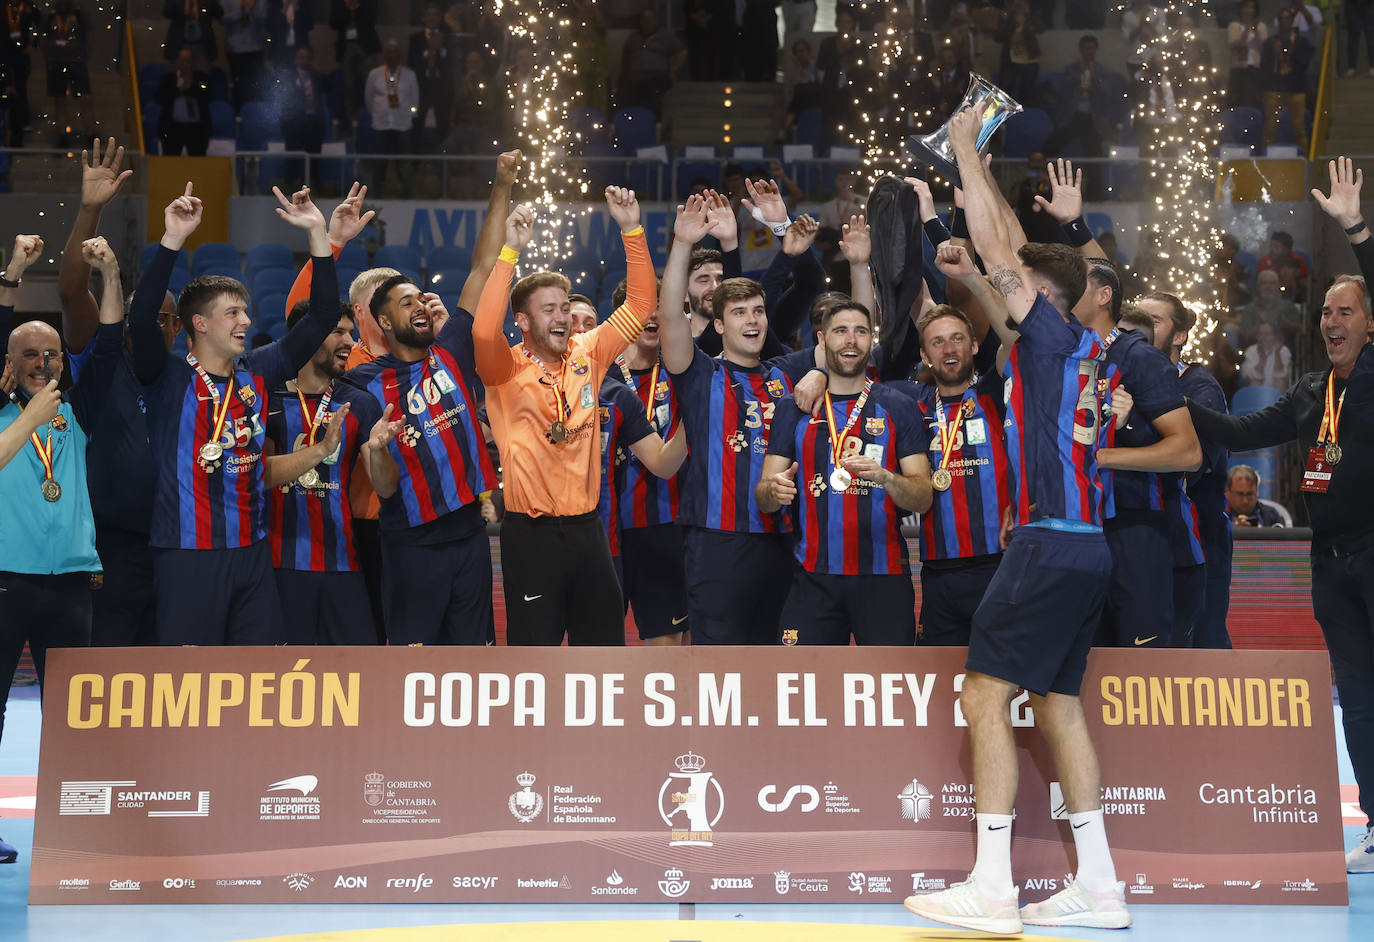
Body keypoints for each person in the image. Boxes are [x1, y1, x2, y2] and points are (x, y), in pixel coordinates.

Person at [904, 108, 1129, 934]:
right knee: (1060, 705)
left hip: (1045, 546)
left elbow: (1004, 252)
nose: (1009, 290)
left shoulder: (1045, 335)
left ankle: (992, 888)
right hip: (1089, 548)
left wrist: (966, 149)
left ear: (1043, 297)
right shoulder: (1081, 347)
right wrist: (976, 236)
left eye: (1018, 287)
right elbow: (1000, 265)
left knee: (983, 695)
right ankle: (1100, 886)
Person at [1189, 156, 1374, 873]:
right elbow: (1238, 435)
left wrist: (1356, 227)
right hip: (1325, 562)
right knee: (1355, 696)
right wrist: (1172, 402)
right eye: (1326, 311)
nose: (1331, 321)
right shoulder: (1307, 392)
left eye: (1346, 310)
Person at [130, 182, 358, 645]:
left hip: (252, 554)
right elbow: (140, 321)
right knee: (189, 684)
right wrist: (173, 239)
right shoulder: (167, 378)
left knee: (258, 677)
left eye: (246, 312)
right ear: (199, 323)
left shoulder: (256, 373)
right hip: (186, 553)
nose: (247, 322)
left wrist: (318, 235)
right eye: (233, 313)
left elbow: (316, 321)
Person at [471, 187, 658, 646]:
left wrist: (632, 229)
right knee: (535, 660)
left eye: (565, 305)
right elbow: (480, 326)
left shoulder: (588, 352)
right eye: (549, 309)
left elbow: (639, 306)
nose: (562, 318)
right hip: (529, 537)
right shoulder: (503, 367)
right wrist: (510, 252)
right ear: (523, 320)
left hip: (588, 531)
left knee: (605, 654)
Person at [1035, 159, 1201, 649]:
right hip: (1076, 526)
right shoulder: (1066, 354)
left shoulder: (1141, 358)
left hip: (1135, 529)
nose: (1062, 289)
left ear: (1104, 296)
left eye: (1076, 282)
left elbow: (1188, 452)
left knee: (1142, 674)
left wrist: (1101, 456)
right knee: (1083, 665)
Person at [0, 235, 123, 863]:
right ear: (9, 363)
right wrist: (14, 275)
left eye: (51, 353)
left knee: (72, 716)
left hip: (72, 582)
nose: (44, 362)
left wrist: (110, 274)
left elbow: (105, 347)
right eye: (29, 353)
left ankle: (71, 826)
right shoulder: (0, 412)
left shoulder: (77, 412)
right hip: (5, 582)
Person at [56, 140, 181, 647]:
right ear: (125, 320)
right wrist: (90, 210)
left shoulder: (194, 379)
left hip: (176, 546)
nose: (159, 328)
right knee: (108, 675)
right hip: (109, 547)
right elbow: (70, 292)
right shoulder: (102, 362)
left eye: (168, 320)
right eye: (150, 318)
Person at [758, 299, 934, 645]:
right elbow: (763, 497)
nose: (851, 340)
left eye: (860, 332)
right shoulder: (793, 410)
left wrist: (888, 478)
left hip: (883, 578)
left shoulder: (898, 406)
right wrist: (773, 490)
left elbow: (924, 497)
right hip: (812, 579)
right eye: (841, 331)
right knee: (804, 690)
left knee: (889, 692)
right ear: (822, 339)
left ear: (872, 339)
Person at [266, 300, 374, 644]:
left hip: (343, 563)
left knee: (358, 677)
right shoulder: (266, 398)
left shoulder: (359, 402)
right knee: (283, 681)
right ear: (306, 336)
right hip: (278, 565)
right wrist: (322, 450)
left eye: (351, 332)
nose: (350, 341)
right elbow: (257, 475)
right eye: (337, 331)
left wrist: (383, 449)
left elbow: (385, 487)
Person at [597, 281, 692, 646]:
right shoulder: (595, 376)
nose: (652, 317)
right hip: (604, 531)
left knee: (667, 648)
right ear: (622, 318)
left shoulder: (683, 374)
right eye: (642, 308)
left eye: (659, 308)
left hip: (664, 526)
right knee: (598, 647)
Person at [1139, 292, 1234, 650]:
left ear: (1179, 336)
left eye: (1155, 321)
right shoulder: (1127, 381)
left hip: (1199, 539)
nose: (1142, 329)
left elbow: (1191, 466)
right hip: (1155, 537)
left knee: (1202, 647)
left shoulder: (1199, 388)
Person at [364, 40, 418, 191]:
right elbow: (369, 99)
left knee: (403, 165)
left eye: (394, 51)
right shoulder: (374, 75)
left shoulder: (409, 75)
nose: (391, 55)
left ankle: (405, 194)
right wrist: (376, 115)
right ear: (384, 55)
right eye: (388, 52)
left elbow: (415, 100)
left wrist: (408, 116)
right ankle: (378, 195)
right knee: (379, 165)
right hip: (381, 125)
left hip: (403, 126)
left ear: (400, 55)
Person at [1261, 8, 1312, 154]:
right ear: (1278, 21)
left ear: (1292, 21)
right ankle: (1265, 158)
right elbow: (1264, 65)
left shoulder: (1301, 42)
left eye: (1287, 18)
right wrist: (1276, 55)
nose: (1284, 21)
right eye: (1281, 18)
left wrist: (1291, 53)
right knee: (1269, 129)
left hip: (1295, 88)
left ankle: (1305, 161)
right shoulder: (1270, 42)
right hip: (1274, 87)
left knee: (1299, 129)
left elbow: (1304, 63)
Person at [41, 0, 88, 144]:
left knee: (85, 99)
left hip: (76, 63)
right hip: (56, 63)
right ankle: (62, 136)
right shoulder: (50, 15)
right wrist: (48, 59)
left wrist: (83, 58)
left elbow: (90, 36)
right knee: (59, 100)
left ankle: (91, 135)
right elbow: (43, 38)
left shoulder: (80, 14)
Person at [330, 0, 381, 133]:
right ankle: (350, 123)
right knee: (348, 87)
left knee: (372, 84)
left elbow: (371, 17)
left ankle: (373, 118)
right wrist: (347, 7)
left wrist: (356, 5)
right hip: (346, 46)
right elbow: (334, 23)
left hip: (366, 46)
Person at [156, 48, 214, 157]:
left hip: (197, 129)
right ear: (177, 62)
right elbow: (160, 98)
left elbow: (208, 95)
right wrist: (178, 88)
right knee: (171, 161)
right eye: (182, 60)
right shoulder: (168, 79)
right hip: (173, 128)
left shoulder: (201, 78)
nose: (185, 64)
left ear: (193, 62)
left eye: (188, 61)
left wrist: (188, 88)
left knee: (198, 162)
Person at [0, 0, 37, 147]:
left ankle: (19, 132)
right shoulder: (3, 6)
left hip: (21, 56)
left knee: (20, 91)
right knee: (7, 92)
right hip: (3, 56)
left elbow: (40, 26)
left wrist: (33, 44)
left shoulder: (27, 6)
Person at [1236, 268, 1304, 347]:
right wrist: (1259, 326)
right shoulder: (1250, 309)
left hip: (1285, 354)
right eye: (1264, 283)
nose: (1268, 287)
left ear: (1278, 286)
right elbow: (1244, 338)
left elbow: (1301, 330)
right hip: (1255, 356)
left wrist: (1282, 321)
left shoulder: (1288, 306)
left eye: (1272, 283)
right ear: (1258, 287)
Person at [222, 0, 268, 110]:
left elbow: (264, 18)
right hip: (235, 48)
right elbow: (223, 18)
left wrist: (252, 8)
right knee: (238, 84)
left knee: (256, 83)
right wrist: (240, 9)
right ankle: (239, 113)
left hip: (256, 47)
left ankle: (255, 114)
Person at [1227, 0, 1267, 107]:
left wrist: (1255, 30)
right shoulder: (1234, 26)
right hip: (1238, 68)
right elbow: (1232, 44)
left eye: (1251, 7)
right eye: (1246, 7)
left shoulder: (1260, 26)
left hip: (1255, 68)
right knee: (1236, 100)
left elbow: (1264, 45)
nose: (1248, 10)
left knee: (1255, 99)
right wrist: (1246, 31)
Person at [1255, 230, 1309, 305]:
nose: (1272, 249)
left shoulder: (1297, 261)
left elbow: (1304, 285)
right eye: (1271, 245)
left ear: (1287, 250)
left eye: (1276, 246)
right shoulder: (1264, 262)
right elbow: (1259, 288)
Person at [163, 0, 222, 68]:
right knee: (180, 73)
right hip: (179, 45)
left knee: (203, 74)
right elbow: (166, 13)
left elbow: (219, 14)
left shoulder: (206, 2)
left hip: (202, 46)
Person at [1240, 320, 1293, 390]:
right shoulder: (1251, 350)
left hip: (1277, 390)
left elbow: (1283, 374)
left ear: (1275, 336)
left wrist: (1277, 354)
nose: (1263, 337)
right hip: (1258, 391)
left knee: (1281, 381)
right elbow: (1247, 375)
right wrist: (1262, 359)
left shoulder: (1283, 350)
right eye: (1260, 334)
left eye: (1267, 334)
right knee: (1254, 382)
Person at [265, 0, 313, 69]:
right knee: (279, 77)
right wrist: (284, 9)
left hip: (299, 50)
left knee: (299, 76)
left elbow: (310, 25)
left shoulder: (302, 2)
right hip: (279, 50)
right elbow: (270, 27)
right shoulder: (274, 3)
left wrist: (298, 9)